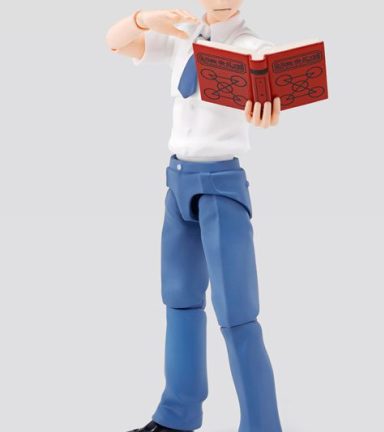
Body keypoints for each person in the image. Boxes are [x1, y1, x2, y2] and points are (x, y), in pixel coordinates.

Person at [106, 2, 283, 431]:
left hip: (221, 185)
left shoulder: (252, 48)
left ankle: (262, 425)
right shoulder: (183, 38)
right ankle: (178, 412)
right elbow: (115, 43)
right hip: (178, 181)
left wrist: (267, 108)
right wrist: (143, 19)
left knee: (237, 311)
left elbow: (274, 89)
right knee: (179, 299)